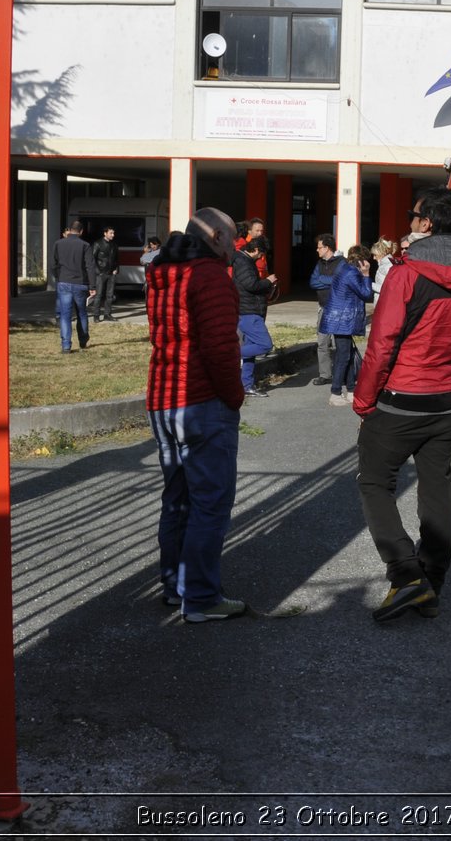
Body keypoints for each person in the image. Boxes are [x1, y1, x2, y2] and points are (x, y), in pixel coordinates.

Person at [353, 187, 451, 622]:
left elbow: (381, 346)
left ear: (426, 224)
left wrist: (363, 400)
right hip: (448, 406)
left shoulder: (405, 275)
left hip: (399, 402)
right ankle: (431, 582)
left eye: (414, 215)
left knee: (375, 483)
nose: (409, 222)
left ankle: (406, 575)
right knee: (436, 488)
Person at [145, 207, 248, 622]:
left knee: (178, 500)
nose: (235, 249)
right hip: (202, 402)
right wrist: (235, 397)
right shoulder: (209, 278)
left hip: (163, 398)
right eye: (234, 240)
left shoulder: (162, 274)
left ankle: (175, 587)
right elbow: (221, 349)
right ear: (218, 238)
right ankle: (202, 598)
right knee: (210, 503)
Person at [319, 244, 373, 407]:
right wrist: (366, 274)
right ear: (362, 261)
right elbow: (366, 294)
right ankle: (335, 392)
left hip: (340, 319)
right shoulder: (351, 273)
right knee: (343, 356)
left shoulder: (345, 269)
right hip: (342, 319)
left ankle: (350, 390)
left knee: (348, 354)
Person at [232, 237, 278, 398]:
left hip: (251, 310)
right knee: (265, 345)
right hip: (248, 311)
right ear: (257, 250)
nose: (261, 258)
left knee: (250, 353)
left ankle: (247, 385)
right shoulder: (243, 261)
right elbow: (251, 285)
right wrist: (267, 281)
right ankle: (229, 354)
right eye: (262, 254)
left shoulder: (243, 260)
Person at [50, 220, 97, 352]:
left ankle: (66, 345)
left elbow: (53, 264)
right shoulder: (85, 245)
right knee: (82, 312)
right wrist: (92, 286)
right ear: (81, 231)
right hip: (80, 283)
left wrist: (58, 277)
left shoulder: (58, 243)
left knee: (65, 315)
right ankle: (83, 340)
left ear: (69, 230)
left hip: (64, 282)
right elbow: (90, 266)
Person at [308, 235, 343, 386]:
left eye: (319, 247)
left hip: (338, 309)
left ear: (327, 248)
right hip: (323, 307)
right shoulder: (319, 264)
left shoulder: (342, 263)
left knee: (340, 343)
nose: (317, 250)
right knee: (322, 342)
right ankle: (325, 374)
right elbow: (312, 282)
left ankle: (342, 374)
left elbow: (340, 281)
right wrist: (328, 281)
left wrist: (323, 280)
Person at [92, 225, 119, 322]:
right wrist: (98, 272)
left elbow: (116, 259)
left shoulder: (114, 245)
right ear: (105, 233)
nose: (113, 235)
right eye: (111, 233)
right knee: (98, 295)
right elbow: (92, 259)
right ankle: (96, 316)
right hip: (101, 273)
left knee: (110, 295)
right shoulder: (97, 244)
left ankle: (107, 314)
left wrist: (116, 269)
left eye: (113, 233)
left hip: (111, 273)